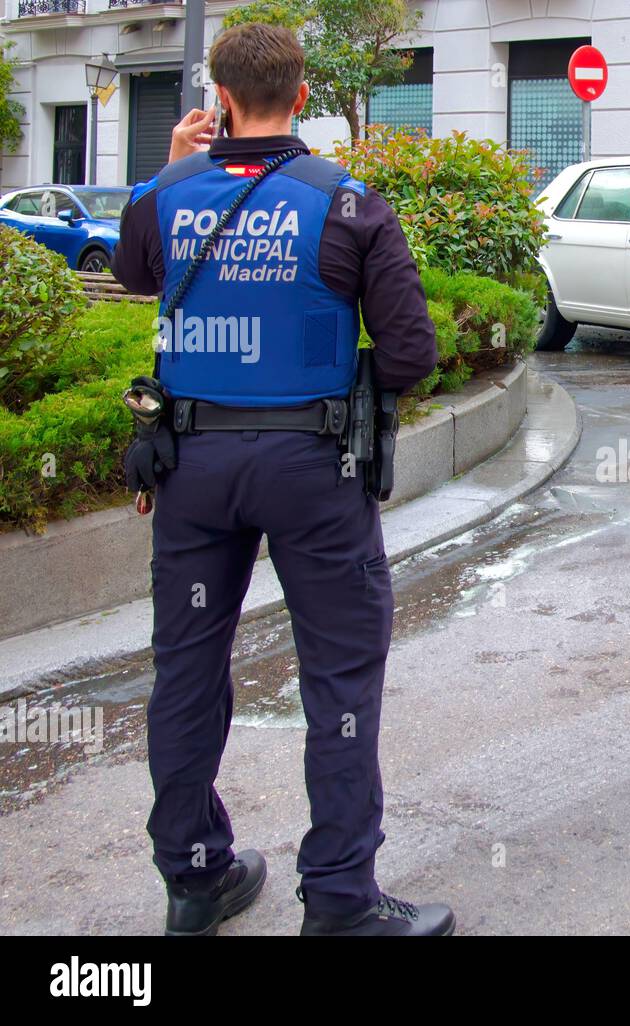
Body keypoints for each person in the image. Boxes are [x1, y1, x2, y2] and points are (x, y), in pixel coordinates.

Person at [112, 23, 453, 937]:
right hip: (313, 468)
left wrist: (174, 165)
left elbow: (136, 271)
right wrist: (339, 395)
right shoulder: (347, 204)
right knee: (338, 679)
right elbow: (412, 352)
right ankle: (339, 900)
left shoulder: (163, 196)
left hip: (190, 469)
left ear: (219, 96)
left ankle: (194, 879)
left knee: (185, 673)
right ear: (303, 95)